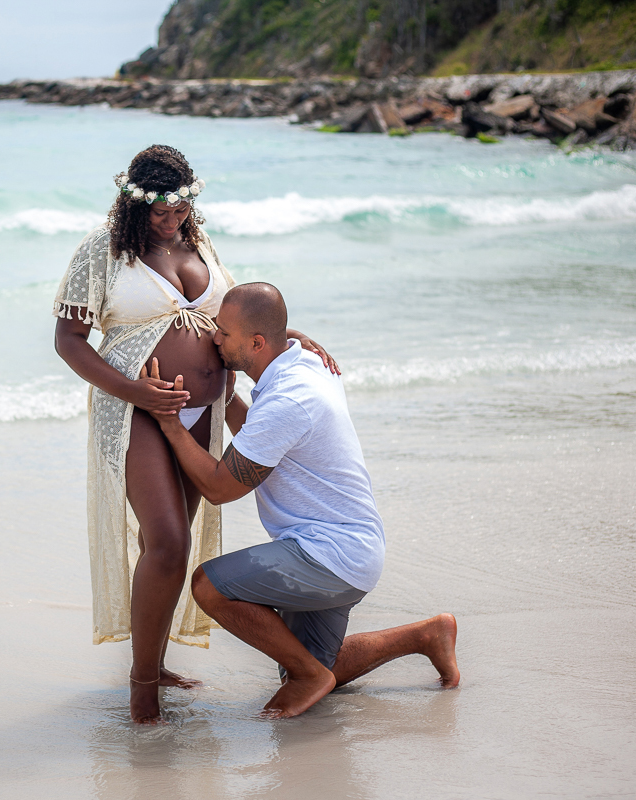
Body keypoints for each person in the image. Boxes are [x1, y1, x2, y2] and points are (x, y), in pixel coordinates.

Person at [53, 146, 337, 724]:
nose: (170, 219)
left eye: (180, 206)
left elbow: (227, 321)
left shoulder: (200, 245)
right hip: (136, 411)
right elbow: (70, 342)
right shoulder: (103, 251)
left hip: (202, 414)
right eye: (158, 209)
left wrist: (290, 337)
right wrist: (139, 393)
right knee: (169, 542)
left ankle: (154, 664)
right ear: (133, 202)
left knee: (172, 539)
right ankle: (141, 688)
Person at [146, 282, 460, 719]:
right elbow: (262, 431)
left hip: (329, 556)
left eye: (223, 333)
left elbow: (219, 488)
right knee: (315, 664)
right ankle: (427, 635)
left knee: (210, 586)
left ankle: (310, 675)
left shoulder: (290, 399)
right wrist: (231, 389)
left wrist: (170, 424)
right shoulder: (300, 363)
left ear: (257, 343)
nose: (214, 339)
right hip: (351, 551)